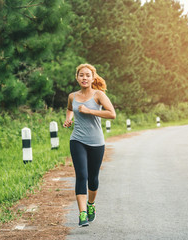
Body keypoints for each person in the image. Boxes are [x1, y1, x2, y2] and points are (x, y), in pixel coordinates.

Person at [63, 63, 116, 227]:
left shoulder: (98, 95)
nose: (84, 78)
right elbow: (70, 108)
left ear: (93, 78)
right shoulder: (72, 96)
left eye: (87, 75)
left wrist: (90, 111)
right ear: (77, 78)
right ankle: (82, 213)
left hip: (96, 142)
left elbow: (112, 114)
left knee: (93, 179)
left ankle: (91, 205)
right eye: (81, 75)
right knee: (82, 175)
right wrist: (69, 118)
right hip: (77, 140)